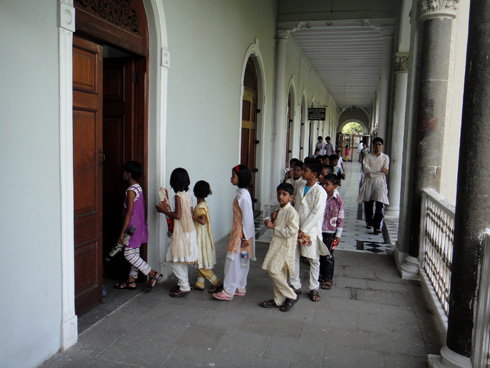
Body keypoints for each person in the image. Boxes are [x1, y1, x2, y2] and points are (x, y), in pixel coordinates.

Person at [114, 161, 162, 292]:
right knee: (135, 251)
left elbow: (129, 212)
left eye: (124, 172)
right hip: (140, 225)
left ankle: (152, 273)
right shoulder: (138, 187)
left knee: (128, 253)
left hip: (132, 227)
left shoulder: (131, 191)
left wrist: (122, 233)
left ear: (128, 174)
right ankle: (131, 280)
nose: (122, 174)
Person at [289, 160, 330, 302]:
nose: (302, 172)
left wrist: (304, 229)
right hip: (297, 228)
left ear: (314, 174)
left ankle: (314, 287)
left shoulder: (320, 192)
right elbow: (296, 206)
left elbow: (316, 213)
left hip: (310, 230)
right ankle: (295, 284)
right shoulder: (300, 186)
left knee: (313, 258)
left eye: (305, 170)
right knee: (294, 255)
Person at [213, 165, 255, 301]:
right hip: (242, 233)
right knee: (242, 260)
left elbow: (247, 218)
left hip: (240, 234)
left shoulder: (242, 195)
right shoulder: (244, 193)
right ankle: (240, 287)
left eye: (233, 176)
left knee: (232, 260)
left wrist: (245, 237)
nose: (231, 178)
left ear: (241, 177)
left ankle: (229, 290)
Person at [156, 168, 198, 297]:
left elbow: (178, 215)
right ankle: (183, 284)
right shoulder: (188, 194)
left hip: (182, 232)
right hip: (189, 230)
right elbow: (189, 212)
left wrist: (163, 210)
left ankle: (184, 286)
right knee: (181, 259)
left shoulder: (178, 196)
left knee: (173, 258)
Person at [260, 183, 299, 312]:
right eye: (279, 194)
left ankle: (291, 295)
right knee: (280, 272)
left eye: (284, 194)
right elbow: (276, 222)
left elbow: (291, 231)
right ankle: (278, 300)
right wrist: (272, 219)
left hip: (285, 247)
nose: (280, 197)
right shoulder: (280, 208)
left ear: (291, 197)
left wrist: (273, 227)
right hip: (277, 244)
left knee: (273, 270)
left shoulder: (292, 212)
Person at [190, 180, 221, 292]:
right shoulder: (202, 204)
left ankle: (215, 281)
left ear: (195, 192)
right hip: (203, 236)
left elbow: (202, 221)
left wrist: (191, 216)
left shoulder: (201, 206)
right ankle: (200, 283)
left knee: (199, 261)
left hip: (201, 237)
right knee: (201, 259)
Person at [357, 137, 390, 234]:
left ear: (382, 146)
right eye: (376, 144)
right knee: (368, 202)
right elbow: (366, 169)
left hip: (380, 182)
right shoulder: (367, 156)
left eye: (379, 144)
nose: (377, 146)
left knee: (380, 203)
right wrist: (379, 170)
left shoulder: (385, 157)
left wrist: (374, 171)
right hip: (369, 181)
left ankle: (377, 225)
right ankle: (369, 221)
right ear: (373, 145)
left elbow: (385, 170)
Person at [319, 174, 344, 290]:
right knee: (319, 254)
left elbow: (340, 218)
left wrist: (338, 236)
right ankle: (321, 275)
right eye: (323, 183)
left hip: (330, 232)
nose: (324, 186)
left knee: (328, 256)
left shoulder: (338, 201)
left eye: (327, 184)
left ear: (334, 186)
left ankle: (328, 278)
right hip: (319, 230)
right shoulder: (320, 196)